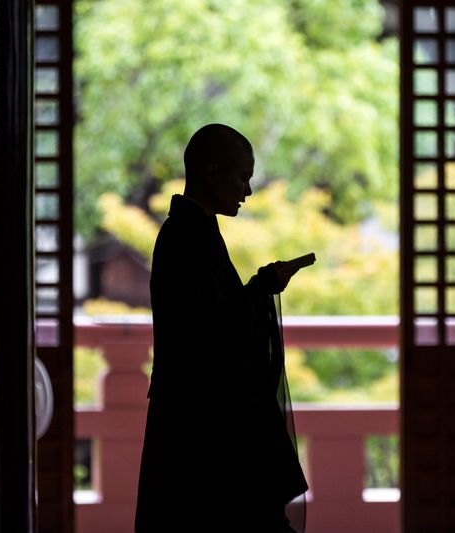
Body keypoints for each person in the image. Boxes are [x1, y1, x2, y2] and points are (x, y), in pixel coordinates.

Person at [134, 123, 309, 532]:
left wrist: (261, 285)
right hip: (199, 424)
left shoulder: (192, 231)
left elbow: (217, 317)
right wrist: (262, 288)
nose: (247, 190)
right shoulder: (185, 237)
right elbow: (210, 334)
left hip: (196, 415)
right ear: (212, 173)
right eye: (242, 177)